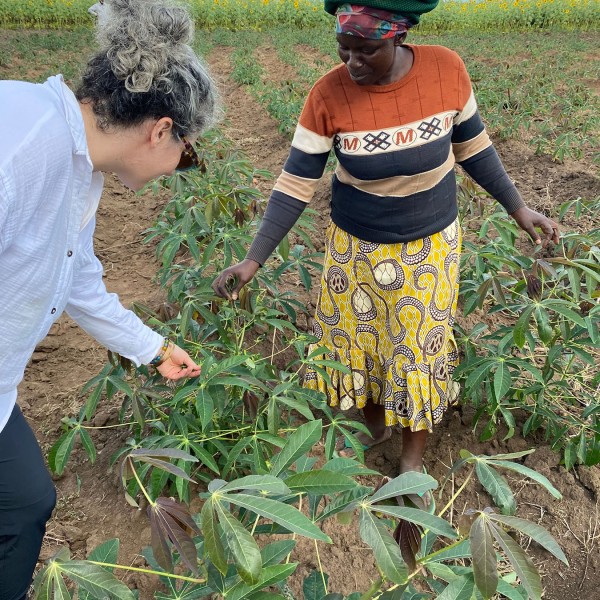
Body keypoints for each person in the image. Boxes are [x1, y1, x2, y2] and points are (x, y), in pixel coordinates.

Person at [213, 1, 559, 509]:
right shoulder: (328, 94)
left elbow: (473, 148)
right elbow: (295, 183)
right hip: (355, 249)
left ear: (398, 37)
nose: (351, 62)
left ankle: (411, 458)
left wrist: (518, 207)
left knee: (417, 349)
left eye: (366, 49)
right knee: (362, 342)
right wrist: (253, 259)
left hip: (430, 248)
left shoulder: (445, 70)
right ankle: (371, 431)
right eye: (343, 48)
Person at [0, 0, 217, 597]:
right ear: (161, 130)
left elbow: (78, 279)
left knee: (24, 503)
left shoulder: (80, 170)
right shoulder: (20, 146)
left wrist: (153, 348)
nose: (179, 168)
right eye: (187, 156)